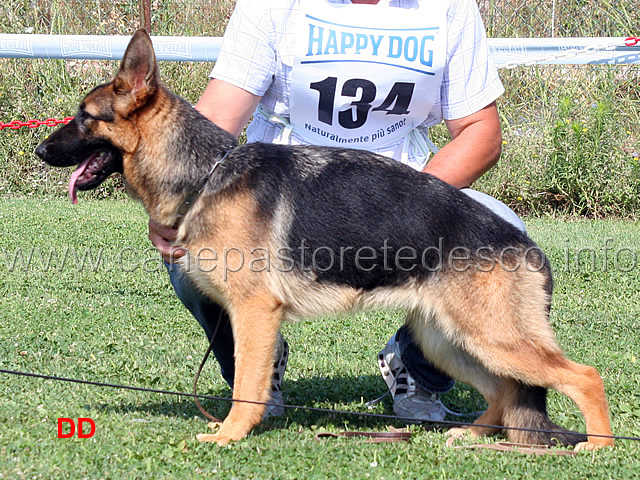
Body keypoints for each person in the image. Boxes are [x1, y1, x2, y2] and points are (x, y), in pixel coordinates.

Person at [149, 0, 526, 421]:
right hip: (284, 198)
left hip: (400, 194)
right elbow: (219, 115)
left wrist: (412, 204)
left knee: (501, 230)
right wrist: (179, 199)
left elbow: (481, 132)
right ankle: (255, 368)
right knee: (191, 252)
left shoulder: (448, 8)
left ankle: (420, 371)